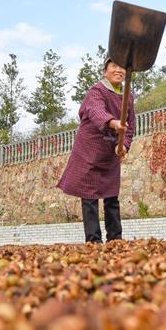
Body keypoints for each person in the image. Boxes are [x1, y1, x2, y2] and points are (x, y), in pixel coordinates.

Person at [57, 58, 135, 243]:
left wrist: (123, 145)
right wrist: (114, 123)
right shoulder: (97, 91)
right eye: (114, 66)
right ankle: (93, 241)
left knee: (111, 197)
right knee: (89, 197)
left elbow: (130, 126)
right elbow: (95, 111)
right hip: (89, 151)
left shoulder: (128, 97)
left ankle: (115, 239)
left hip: (110, 153)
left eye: (122, 67)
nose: (118, 70)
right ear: (105, 71)